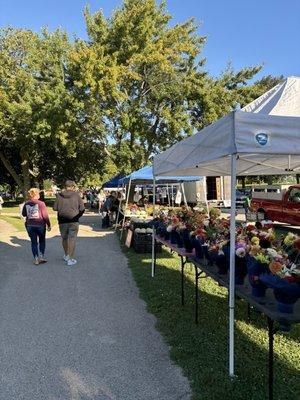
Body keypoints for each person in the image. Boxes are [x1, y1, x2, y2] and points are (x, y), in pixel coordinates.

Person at [53, 180, 85, 266]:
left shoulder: (59, 196)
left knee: (64, 238)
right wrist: (78, 216)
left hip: (62, 220)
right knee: (72, 239)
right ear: (73, 187)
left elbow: (55, 208)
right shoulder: (76, 195)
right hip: (74, 220)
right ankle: (70, 259)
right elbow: (82, 209)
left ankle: (67, 255)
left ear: (65, 186)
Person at [22, 188, 51, 265]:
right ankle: (41, 256)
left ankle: (36, 259)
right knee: (42, 241)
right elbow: (45, 216)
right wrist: (48, 224)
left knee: (33, 242)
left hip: (30, 225)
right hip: (40, 225)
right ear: (36, 194)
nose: (39, 195)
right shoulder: (41, 203)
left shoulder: (26, 203)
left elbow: (24, 214)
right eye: (38, 194)